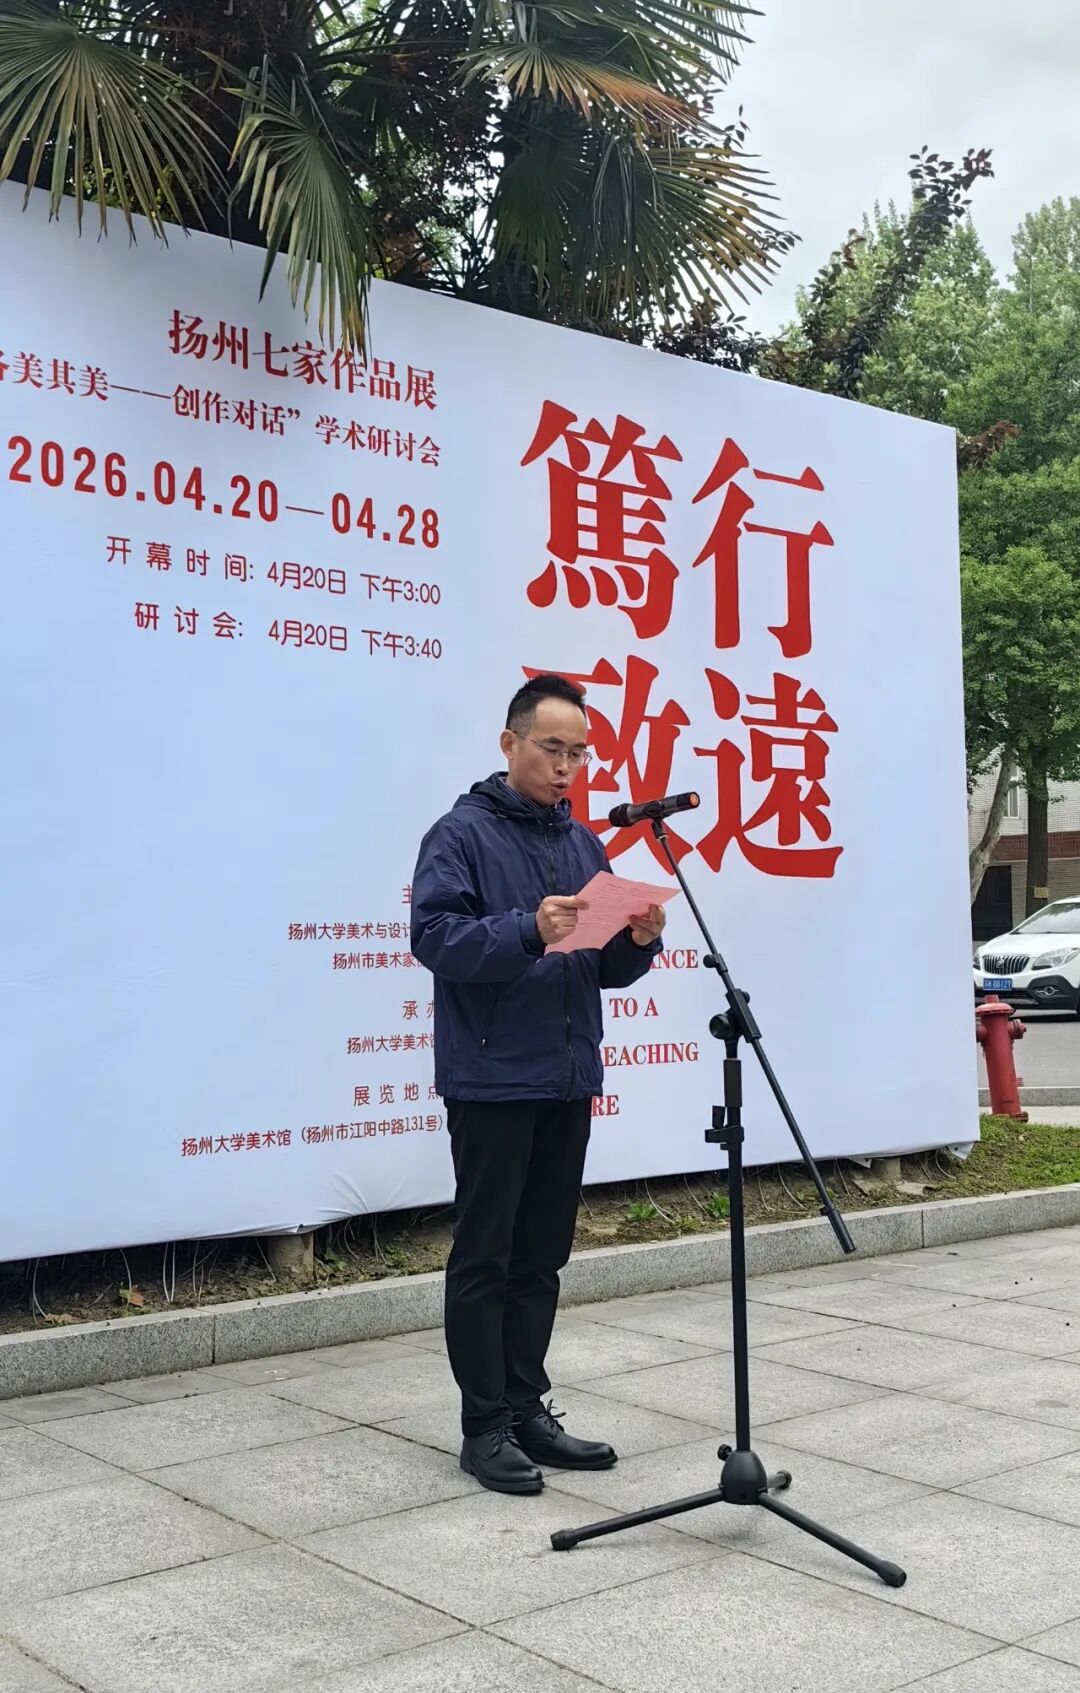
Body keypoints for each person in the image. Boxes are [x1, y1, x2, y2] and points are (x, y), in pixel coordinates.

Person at [410, 674, 666, 1495]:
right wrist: (526, 927)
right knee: (486, 1254)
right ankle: (482, 1425)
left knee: (544, 1253)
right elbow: (435, 937)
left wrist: (637, 940)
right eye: (552, 748)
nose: (566, 766)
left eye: (579, 753)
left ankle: (526, 1408)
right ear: (510, 743)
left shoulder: (584, 843)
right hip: (491, 1076)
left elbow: (601, 967)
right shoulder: (460, 833)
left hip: (565, 1073)